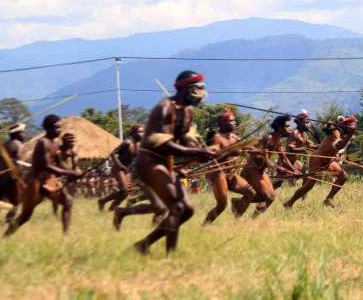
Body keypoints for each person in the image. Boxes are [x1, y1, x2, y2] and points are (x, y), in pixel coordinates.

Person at [130, 70, 214, 254]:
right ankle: (157, 249)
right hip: (149, 162)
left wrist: (199, 149)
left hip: (166, 162)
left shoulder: (188, 110)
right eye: (199, 89)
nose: (202, 93)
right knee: (177, 207)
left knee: (187, 209)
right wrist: (197, 151)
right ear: (186, 89)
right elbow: (164, 145)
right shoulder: (165, 108)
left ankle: (154, 248)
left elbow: (183, 136)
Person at [4, 115, 83, 236]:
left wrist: (73, 172)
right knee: (25, 216)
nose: (60, 129)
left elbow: (58, 163)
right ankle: (7, 235)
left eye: (60, 127)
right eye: (57, 127)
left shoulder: (56, 142)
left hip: (49, 180)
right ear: (49, 128)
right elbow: (46, 166)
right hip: (35, 182)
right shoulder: (42, 143)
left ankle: (66, 235)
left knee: (68, 202)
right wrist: (70, 173)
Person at [284, 115, 357, 209]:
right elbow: (339, 145)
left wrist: (349, 136)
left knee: (343, 176)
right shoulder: (336, 133)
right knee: (309, 185)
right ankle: (289, 203)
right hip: (318, 159)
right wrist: (350, 135)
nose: (352, 128)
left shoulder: (341, 133)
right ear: (346, 127)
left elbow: (340, 143)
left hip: (329, 160)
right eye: (351, 126)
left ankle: (329, 199)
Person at [202, 107, 255, 225]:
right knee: (222, 205)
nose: (235, 123)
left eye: (234, 120)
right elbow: (213, 154)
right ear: (224, 123)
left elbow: (249, 147)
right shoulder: (217, 137)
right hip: (218, 173)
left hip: (231, 173)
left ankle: (235, 222)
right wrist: (231, 151)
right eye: (232, 120)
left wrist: (260, 150)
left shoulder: (234, 137)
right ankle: (205, 226)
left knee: (250, 193)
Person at [242, 115, 296, 217]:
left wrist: (294, 171)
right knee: (267, 196)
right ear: (280, 128)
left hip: (261, 171)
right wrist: (275, 166)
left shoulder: (278, 141)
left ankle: (252, 220)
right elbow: (261, 157)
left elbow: (284, 158)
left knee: (270, 197)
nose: (290, 129)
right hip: (252, 169)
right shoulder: (268, 138)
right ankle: (239, 203)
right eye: (287, 126)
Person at [98, 125, 144, 211]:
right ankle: (105, 203)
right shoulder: (127, 142)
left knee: (125, 193)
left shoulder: (138, 144)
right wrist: (119, 165)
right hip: (118, 168)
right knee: (125, 190)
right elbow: (112, 153)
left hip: (128, 170)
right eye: (140, 132)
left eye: (143, 132)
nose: (143, 134)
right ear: (134, 133)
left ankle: (109, 206)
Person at [0, 123, 26, 222]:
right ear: (17, 134)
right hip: (10, 179)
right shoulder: (18, 145)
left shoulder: (3, 145)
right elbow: (20, 163)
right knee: (15, 204)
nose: (23, 135)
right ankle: (9, 221)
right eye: (22, 133)